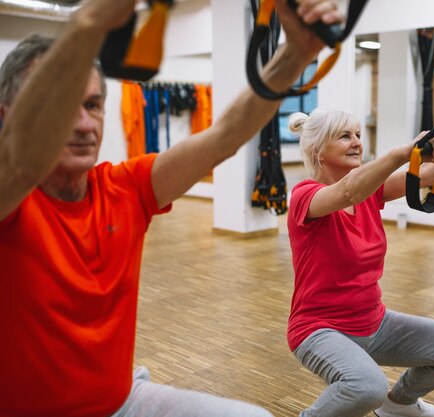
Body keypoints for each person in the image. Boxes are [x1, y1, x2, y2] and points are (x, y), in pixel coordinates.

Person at [0, 0, 342, 416]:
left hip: (123, 399)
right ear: (7, 117)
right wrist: (88, 24)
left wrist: (295, 54)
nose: (84, 124)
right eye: (61, 104)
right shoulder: (10, 198)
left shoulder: (123, 188)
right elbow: (21, 159)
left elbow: (226, 135)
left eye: (91, 104)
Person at [286, 107, 434, 417]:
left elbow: (431, 174)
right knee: (366, 387)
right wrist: (401, 153)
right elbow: (347, 192)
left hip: (375, 323)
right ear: (317, 151)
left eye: (357, 134)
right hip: (318, 330)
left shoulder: (369, 190)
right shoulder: (305, 196)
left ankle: (398, 405)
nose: (356, 142)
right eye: (344, 136)